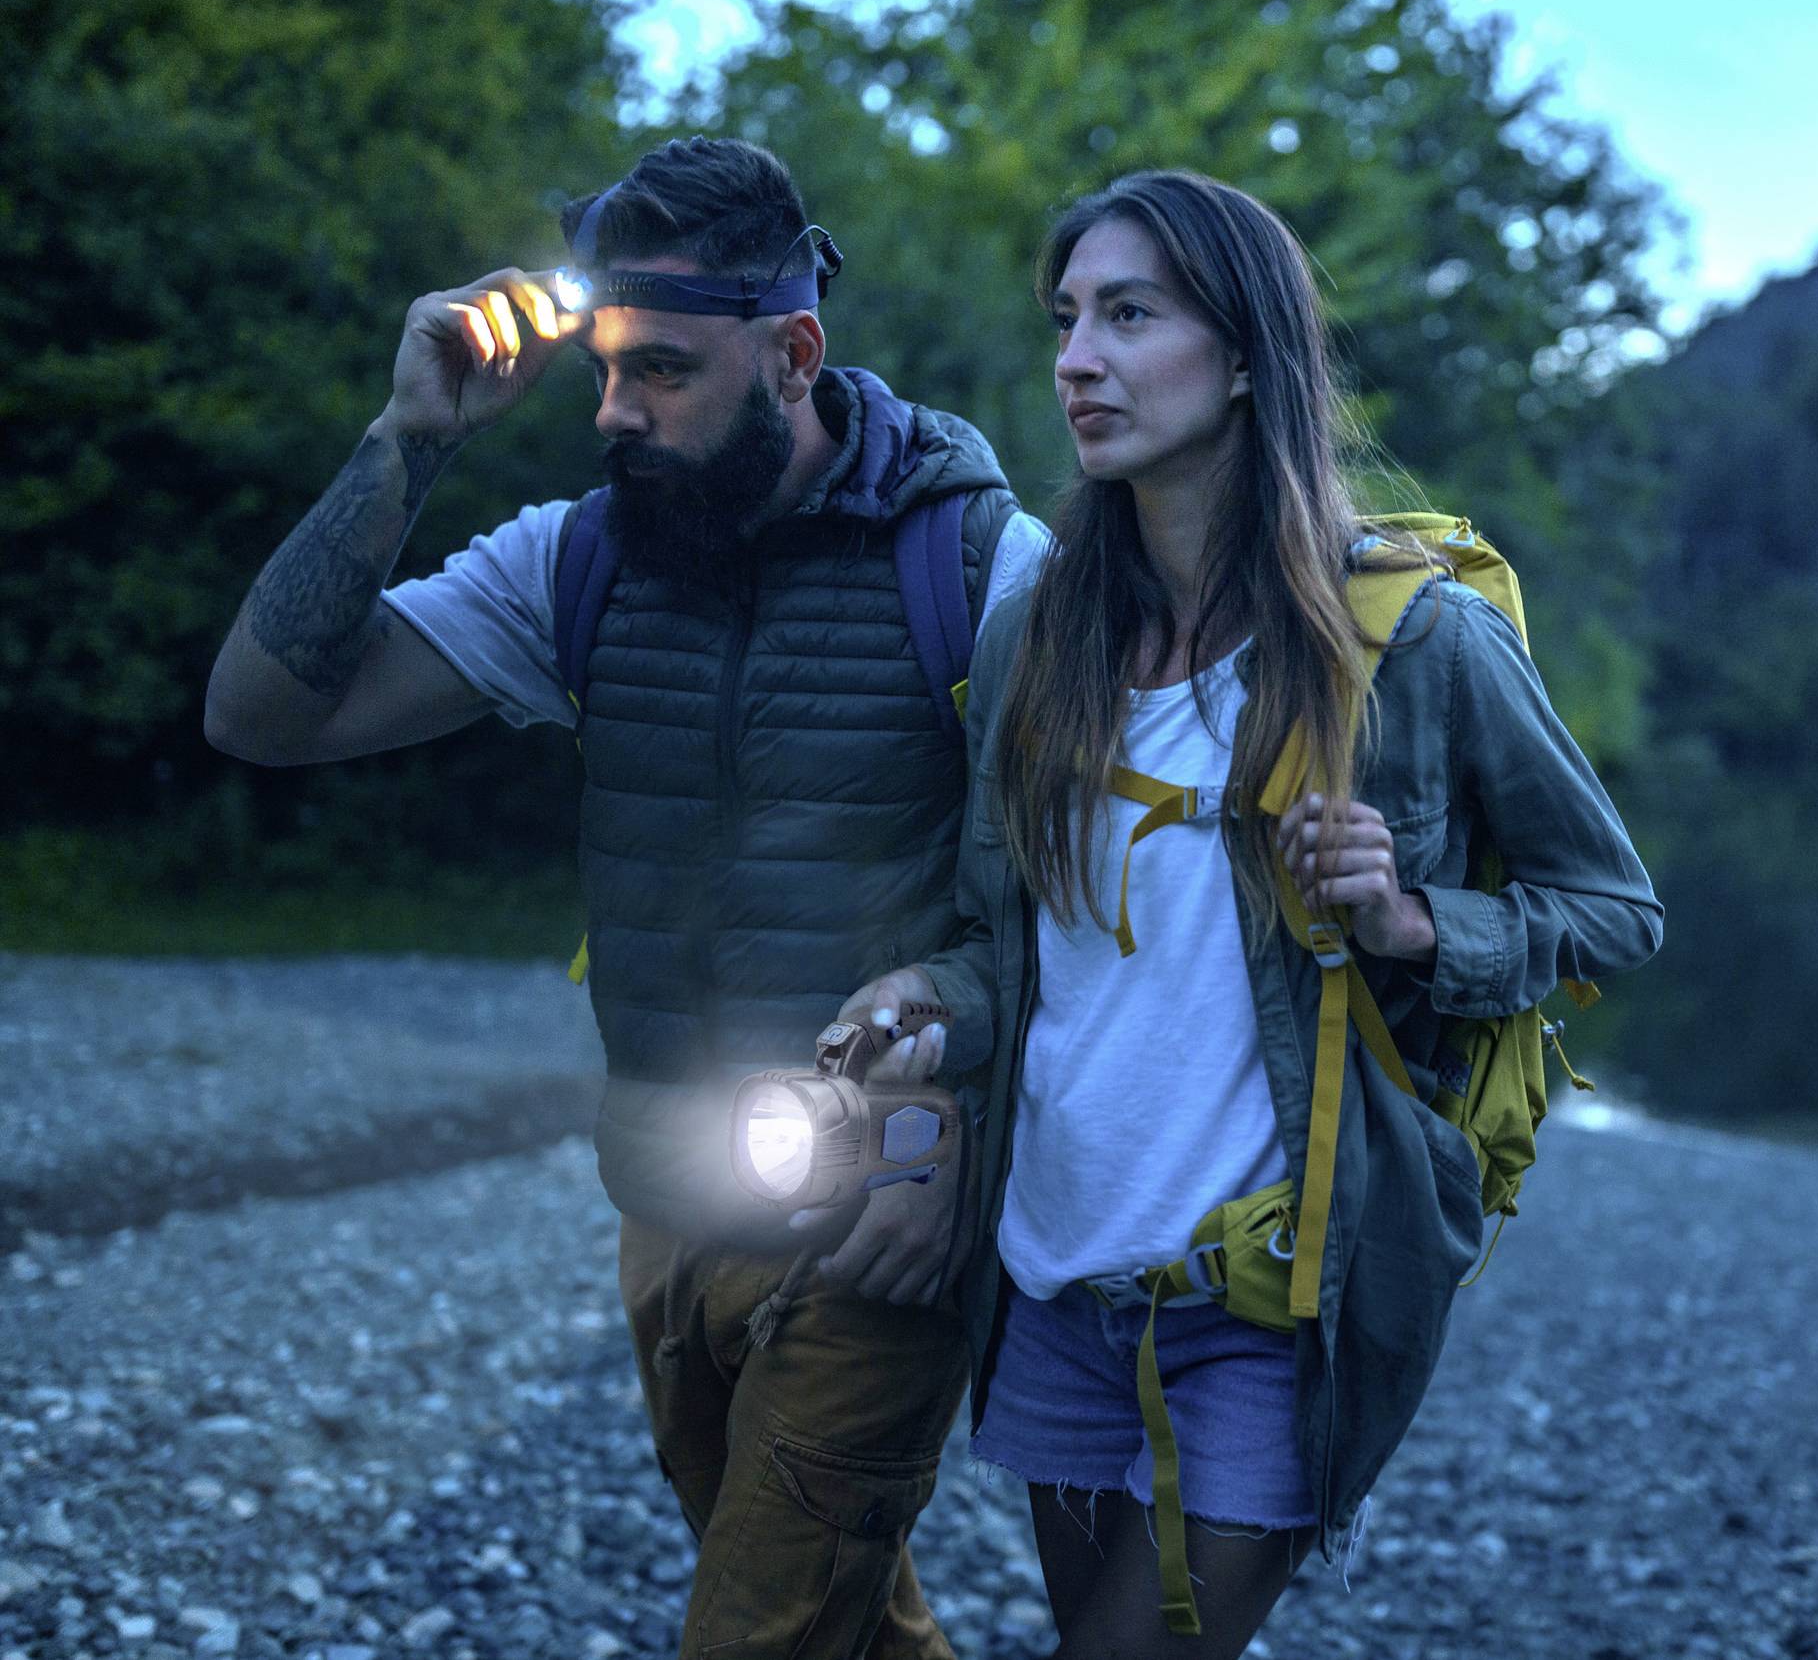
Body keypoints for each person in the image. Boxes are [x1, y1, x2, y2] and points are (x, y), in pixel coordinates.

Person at [202, 137, 1047, 1660]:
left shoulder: (985, 569)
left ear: (794, 354)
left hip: (876, 1209)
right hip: (664, 1195)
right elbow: (262, 717)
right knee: (842, 1617)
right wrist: (412, 435)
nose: (613, 415)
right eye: (603, 372)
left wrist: (944, 1136)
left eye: (659, 373)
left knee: (752, 1636)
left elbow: (1074, 908)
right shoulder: (581, 561)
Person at [837, 170, 1664, 1658]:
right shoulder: (1039, 630)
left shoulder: (1413, 640)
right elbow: (1001, 946)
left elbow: (1614, 910)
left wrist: (1420, 925)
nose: (1078, 358)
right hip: (1054, 1274)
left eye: (1129, 315)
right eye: (1068, 318)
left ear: (1244, 355)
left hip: (1269, 1298)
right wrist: (923, 1002)